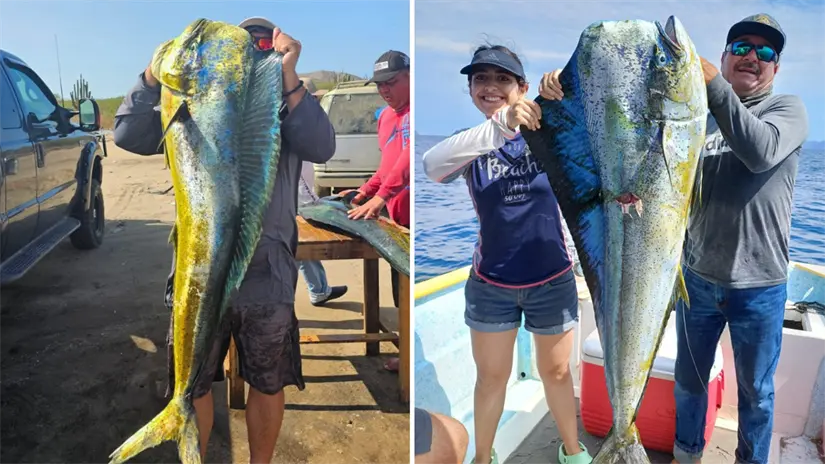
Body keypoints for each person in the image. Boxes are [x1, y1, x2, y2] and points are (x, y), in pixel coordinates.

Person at [113, 16, 336, 464]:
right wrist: (152, 75)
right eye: (245, 46)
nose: (253, 52)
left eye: (262, 45)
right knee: (193, 382)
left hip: (266, 268)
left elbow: (322, 146)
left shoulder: (283, 101)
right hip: (199, 267)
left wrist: (289, 77)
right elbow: (126, 134)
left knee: (268, 379)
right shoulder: (191, 104)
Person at [421, 45, 591, 464]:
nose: (491, 87)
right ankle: (483, 457)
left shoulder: (552, 134)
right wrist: (499, 126)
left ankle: (572, 451)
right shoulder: (471, 146)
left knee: (556, 373)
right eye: (481, 79)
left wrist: (566, 94)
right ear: (471, 90)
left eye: (502, 79)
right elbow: (430, 165)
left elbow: (594, 144)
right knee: (491, 379)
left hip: (552, 278)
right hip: (491, 285)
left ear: (522, 88)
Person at [672, 14, 809, 464]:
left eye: (766, 52)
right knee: (689, 384)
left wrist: (714, 87)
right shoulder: (699, 116)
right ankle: (686, 454)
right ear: (725, 56)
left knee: (757, 396)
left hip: (760, 288)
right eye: (743, 48)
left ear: (775, 68)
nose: (754, 57)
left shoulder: (786, 110)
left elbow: (759, 152)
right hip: (696, 282)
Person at [341, 50, 411, 372]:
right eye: (380, 85)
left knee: (409, 288)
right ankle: (408, 354)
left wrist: (380, 196)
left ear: (410, 76)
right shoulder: (384, 117)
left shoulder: (416, 111)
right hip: (393, 222)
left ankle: (408, 361)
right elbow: (388, 165)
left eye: (392, 82)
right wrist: (365, 191)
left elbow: (407, 163)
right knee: (399, 291)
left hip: (413, 220)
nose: (385, 90)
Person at [297, 79, 348, 307]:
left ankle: (319, 289)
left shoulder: (307, 124)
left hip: (303, 201)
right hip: (298, 206)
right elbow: (299, 186)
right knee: (302, 251)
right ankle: (318, 290)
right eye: (311, 98)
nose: (313, 103)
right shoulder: (295, 124)